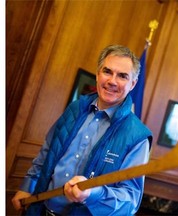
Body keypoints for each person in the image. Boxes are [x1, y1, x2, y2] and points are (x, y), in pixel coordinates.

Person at [11, 45, 153, 215]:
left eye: (122, 76)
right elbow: (48, 151)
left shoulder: (138, 136)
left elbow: (130, 202)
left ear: (133, 84)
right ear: (98, 73)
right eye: (107, 71)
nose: (112, 81)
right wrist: (28, 186)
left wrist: (92, 194)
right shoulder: (75, 108)